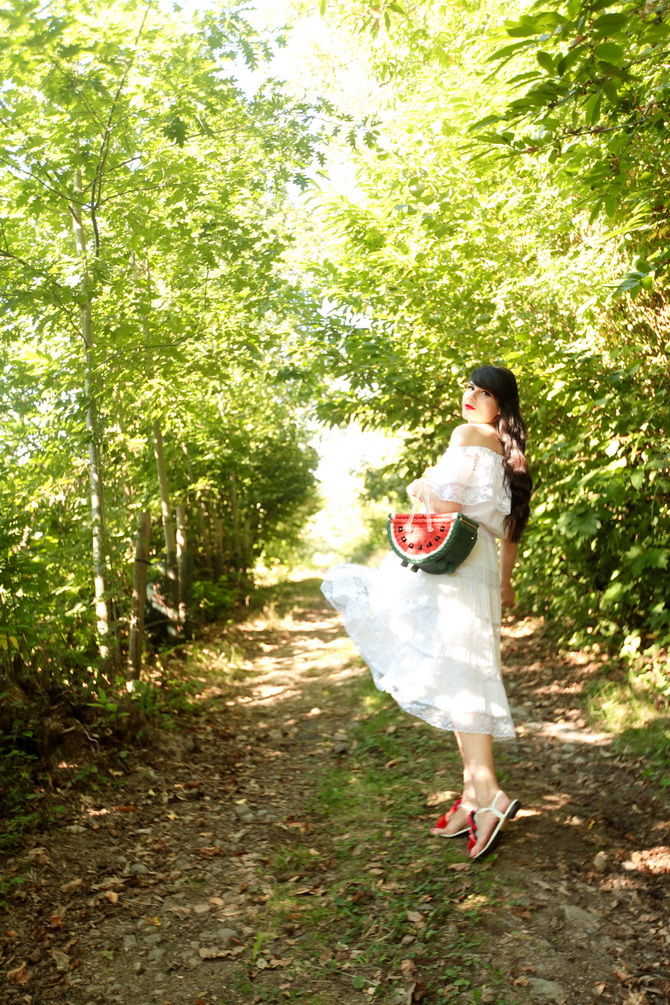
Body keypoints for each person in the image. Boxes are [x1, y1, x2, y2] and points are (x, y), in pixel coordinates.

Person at [321, 364, 532, 861]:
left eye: (484, 392)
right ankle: (473, 794)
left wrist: (419, 487)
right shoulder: (512, 454)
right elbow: (510, 529)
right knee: (465, 672)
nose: (472, 396)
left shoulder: (467, 433)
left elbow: (445, 499)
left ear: (501, 405)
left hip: (455, 564)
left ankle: (491, 796)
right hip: (478, 567)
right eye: (470, 388)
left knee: (462, 675)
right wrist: (505, 582)